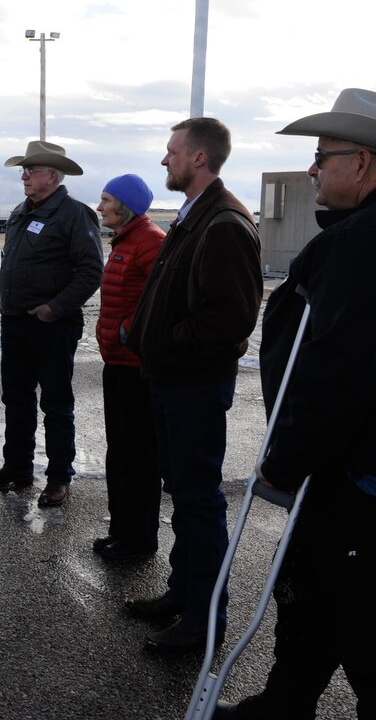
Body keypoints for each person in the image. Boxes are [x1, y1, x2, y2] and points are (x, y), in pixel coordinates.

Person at [216, 90, 376, 719]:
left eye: (323, 157)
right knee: (311, 598)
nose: (314, 169)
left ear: (365, 162)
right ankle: (284, 703)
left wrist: (284, 461)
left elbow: (339, 368)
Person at [123, 118, 263, 653]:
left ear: (199, 159)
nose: (165, 160)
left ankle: (205, 622)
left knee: (199, 502)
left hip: (193, 387)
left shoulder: (223, 222)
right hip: (172, 381)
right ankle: (183, 592)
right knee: (183, 494)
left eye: (172, 152)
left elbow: (229, 319)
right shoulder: (195, 215)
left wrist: (161, 343)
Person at [0, 141, 103, 508]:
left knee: (56, 403)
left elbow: (91, 271)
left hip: (52, 326)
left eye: (30, 171)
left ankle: (59, 477)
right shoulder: (20, 211)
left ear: (52, 174)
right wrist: (2, 292)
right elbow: (10, 260)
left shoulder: (74, 215)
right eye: (24, 171)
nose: (24, 177)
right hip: (15, 322)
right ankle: (17, 467)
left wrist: (54, 307)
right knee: (15, 398)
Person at [92, 174, 165, 562]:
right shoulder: (125, 240)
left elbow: (163, 299)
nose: (100, 206)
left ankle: (139, 541)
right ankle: (120, 530)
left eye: (106, 199)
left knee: (138, 456)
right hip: (117, 364)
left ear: (126, 205)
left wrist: (126, 331)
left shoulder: (150, 240)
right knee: (119, 452)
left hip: (136, 367)